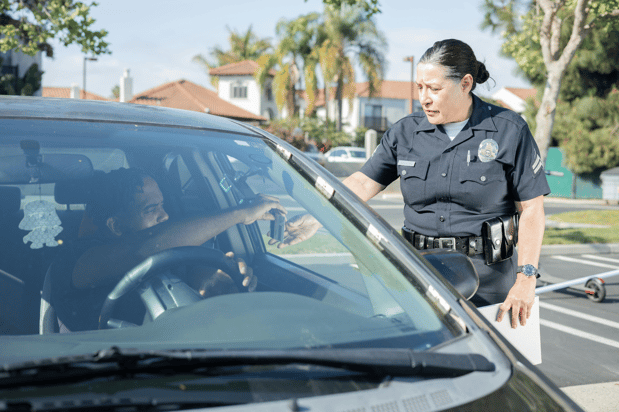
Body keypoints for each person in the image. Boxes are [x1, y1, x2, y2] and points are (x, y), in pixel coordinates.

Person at [274, 39, 550, 329]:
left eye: (434, 88)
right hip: (418, 275)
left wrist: (526, 278)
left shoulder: (508, 129)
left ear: (465, 84)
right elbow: (363, 184)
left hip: (489, 281)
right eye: (420, 87)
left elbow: (531, 209)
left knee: (495, 369)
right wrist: (316, 216)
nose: (425, 98)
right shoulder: (406, 132)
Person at [52, 168, 286, 331]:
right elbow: (142, 249)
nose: (164, 215)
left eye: (163, 205)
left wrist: (211, 286)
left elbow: (192, 276)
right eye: (150, 209)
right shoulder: (75, 258)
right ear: (116, 225)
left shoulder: (169, 251)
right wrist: (239, 214)